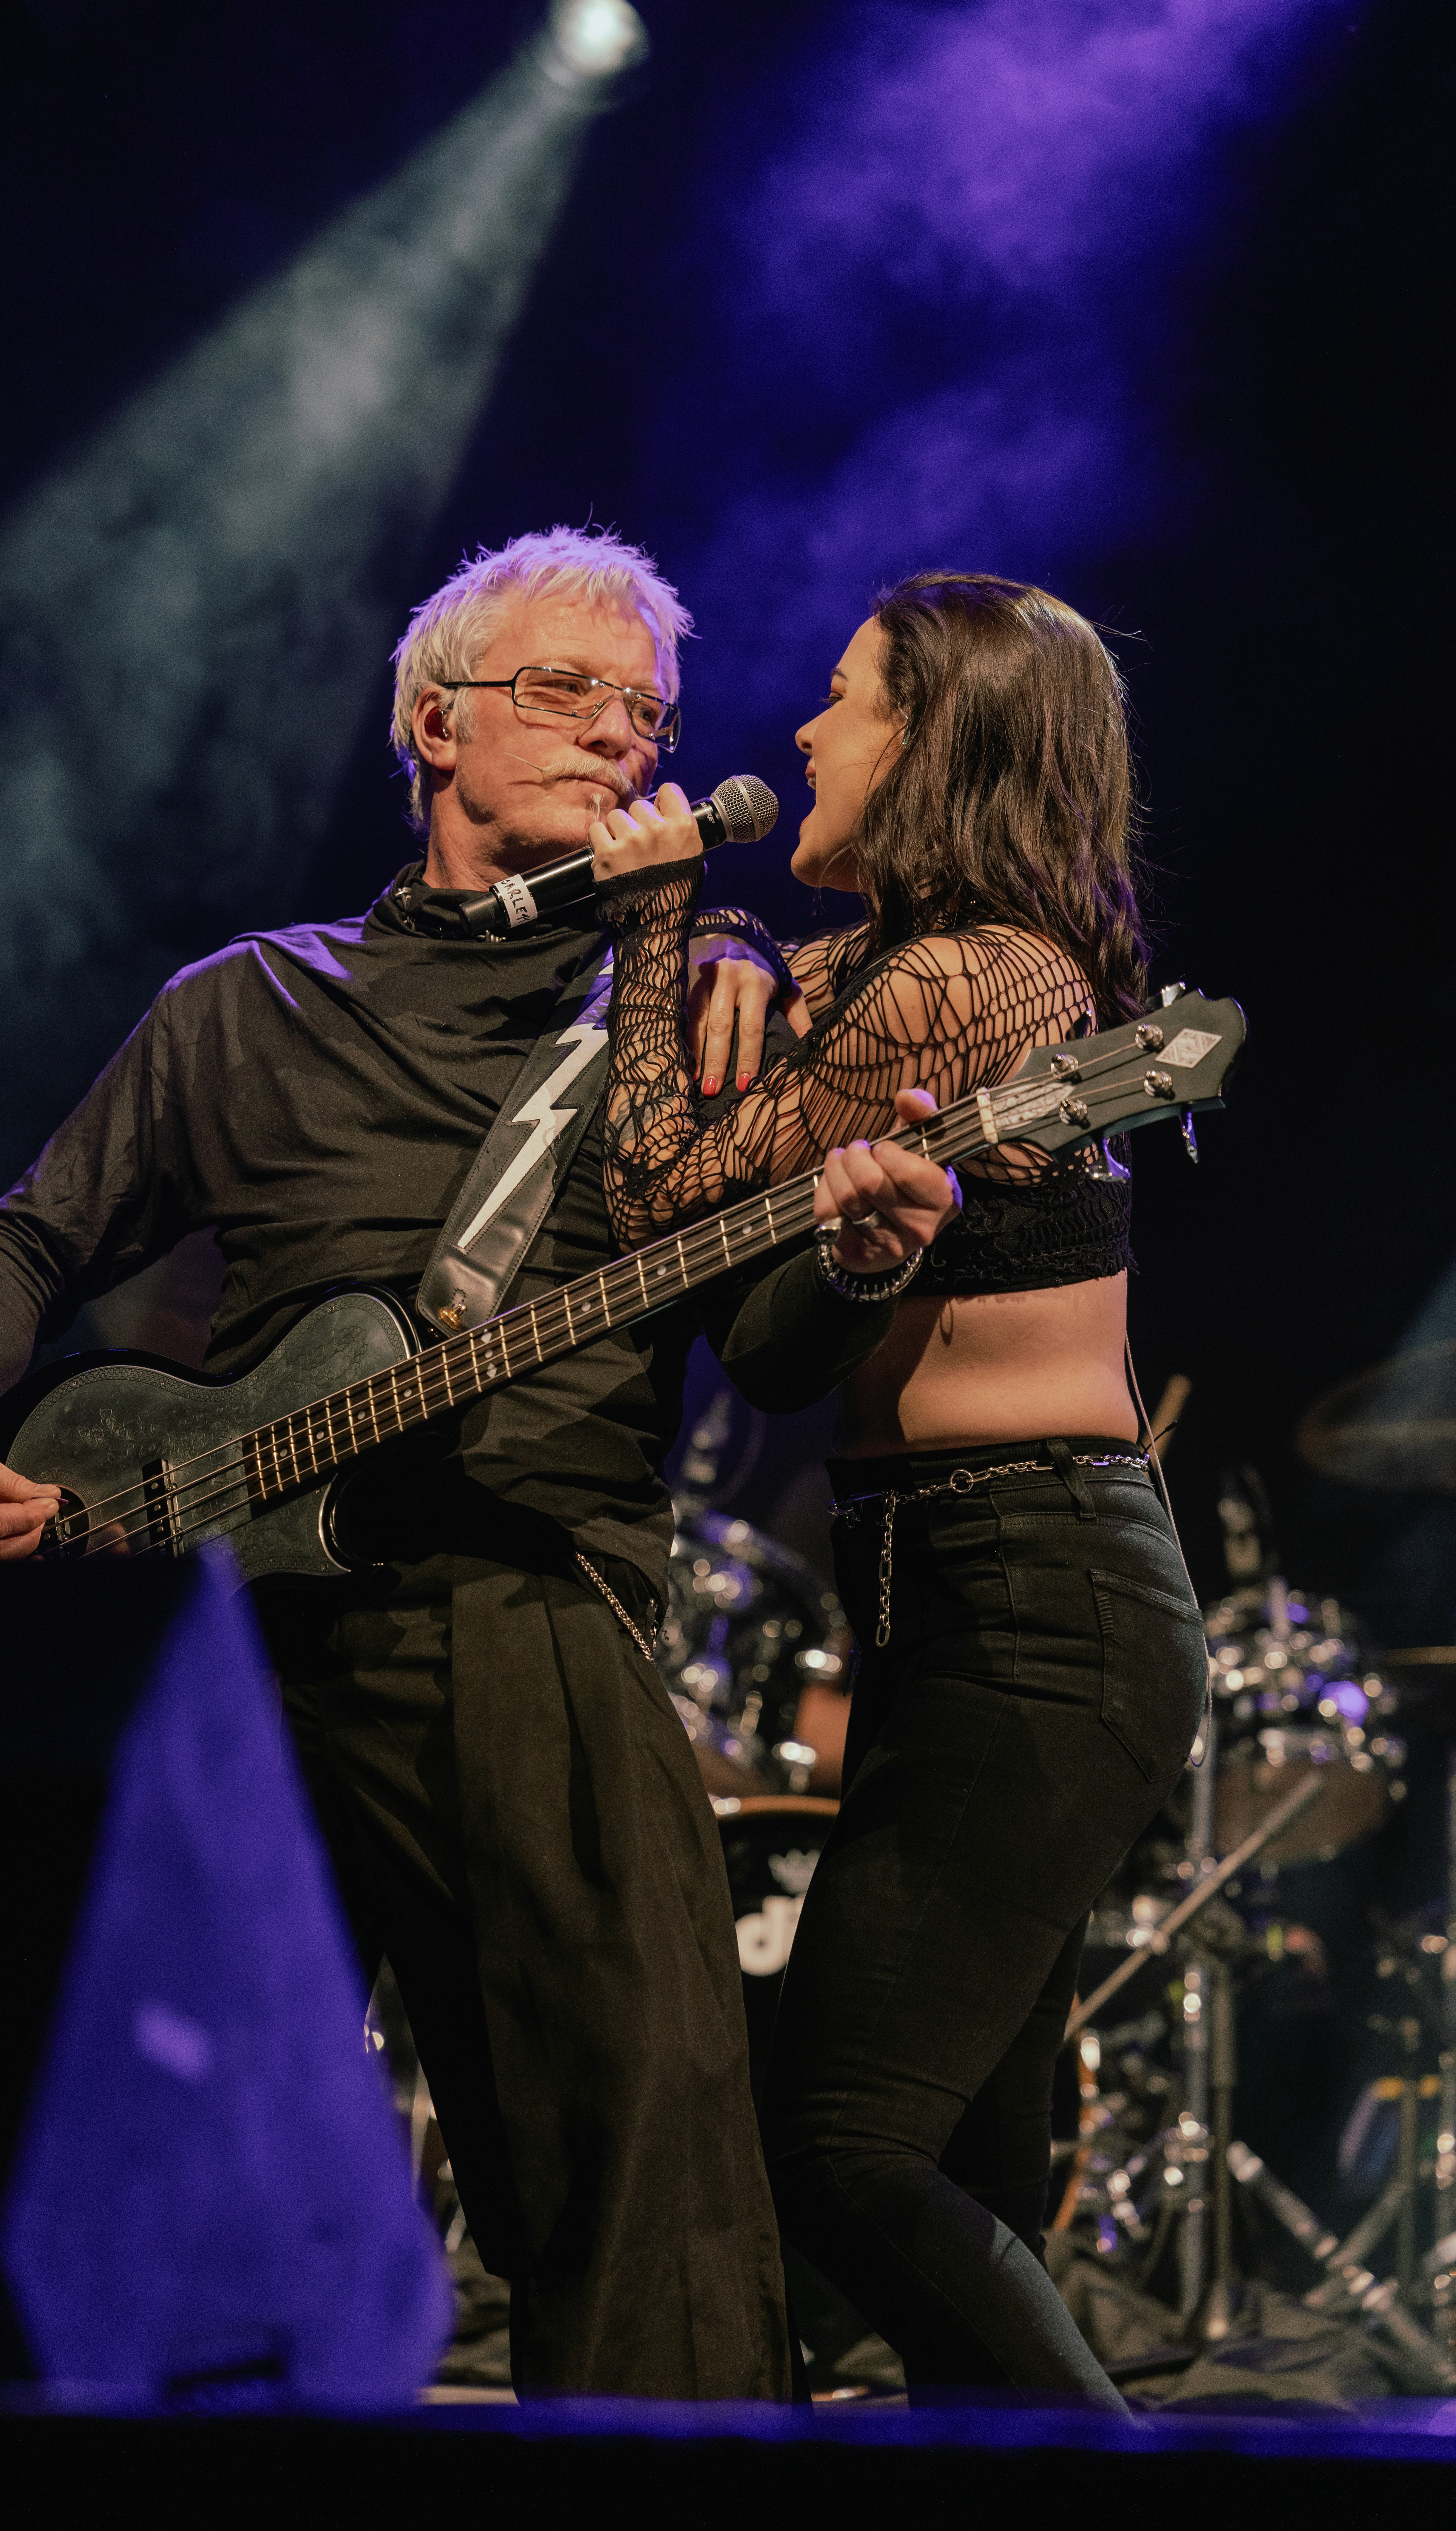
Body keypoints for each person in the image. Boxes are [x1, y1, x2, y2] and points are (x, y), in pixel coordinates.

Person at [0, 528, 961, 2401]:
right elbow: (29, 1239)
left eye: (650, 711)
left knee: (650, 2203)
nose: (622, 735)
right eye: (568, 691)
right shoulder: (248, 1002)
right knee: (169, 2193)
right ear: (433, 722)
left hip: (543, 1615)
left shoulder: (689, 1005)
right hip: (241, 1652)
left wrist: (856, 1254)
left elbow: (773, 1354)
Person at [589, 570, 1210, 2408]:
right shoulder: (875, 970)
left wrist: (657, 933)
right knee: (961, 2179)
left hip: (1040, 1591)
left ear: (938, 743)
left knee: (843, 2148)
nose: (798, 732)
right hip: (954, 1592)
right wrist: (738, 962)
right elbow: (772, 1321)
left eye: (846, 698)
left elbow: (662, 1204)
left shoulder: (979, 973)